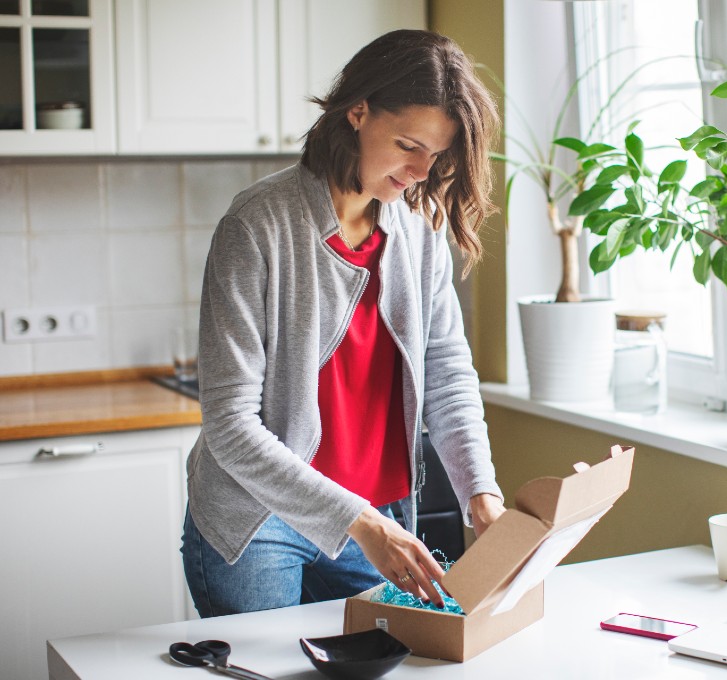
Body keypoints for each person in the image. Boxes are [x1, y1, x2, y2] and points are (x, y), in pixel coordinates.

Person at [181, 29, 505, 617]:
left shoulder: (418, 228)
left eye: (436, 154)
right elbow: (230, 425)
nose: (419, 171)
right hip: (261, 521)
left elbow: (448, 374)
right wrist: (360, 524)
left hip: (371, 516)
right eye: (408, 144)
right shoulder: (258, 225)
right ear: (357, 112)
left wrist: (481, 497)